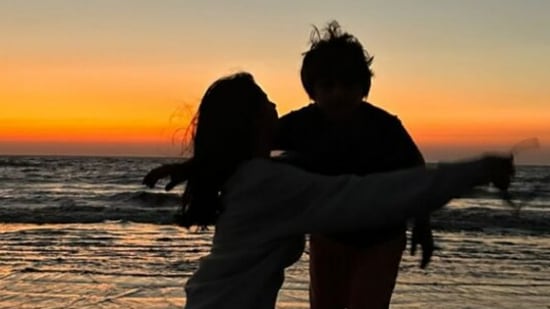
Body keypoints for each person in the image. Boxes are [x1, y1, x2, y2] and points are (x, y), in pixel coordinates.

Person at [143, 72, 514, 309]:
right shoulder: (266, 183)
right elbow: (375, 194)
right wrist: (478, 170)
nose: (276, 106)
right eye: (267, 101)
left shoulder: (251, 176)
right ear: (257, 120)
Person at [275, 20, 432, 309]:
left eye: (349, 85)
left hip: (382, 237)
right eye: (328, 85)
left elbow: (416, 174)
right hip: (328, 234)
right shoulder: (301, 124)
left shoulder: (385, 127)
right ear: (312, 90)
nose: (338, 93)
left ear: (364, 87)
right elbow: (251, 144)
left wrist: (422, 224)